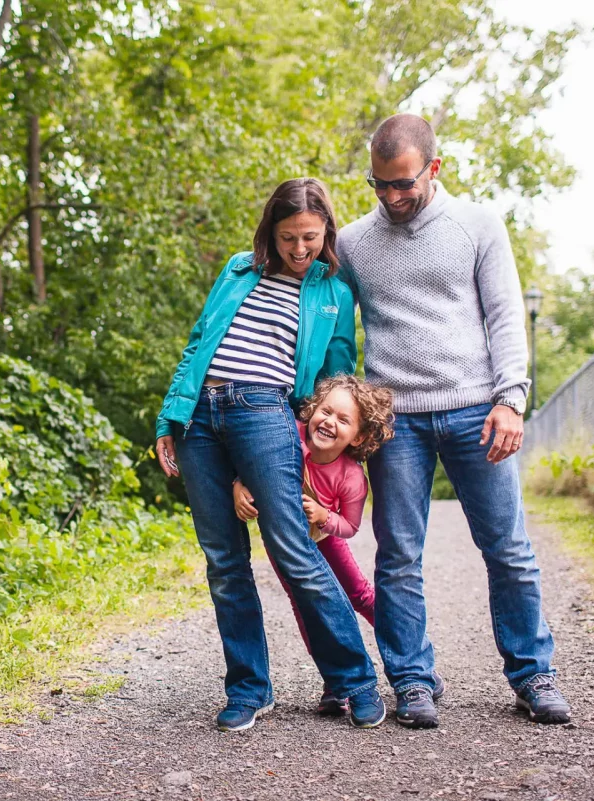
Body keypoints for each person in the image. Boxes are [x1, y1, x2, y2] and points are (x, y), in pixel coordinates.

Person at [336, 113, 571, 729]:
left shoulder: (478, 224)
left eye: (404, 184)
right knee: (397, 555)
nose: (392, 197)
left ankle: (532, 673)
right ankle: (412, 680)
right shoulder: (355, 242)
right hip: (396, 422)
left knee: (509, 548)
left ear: (433, 169)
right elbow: (332, 323)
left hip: (476, 410)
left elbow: (504, 315)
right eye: (379, 184)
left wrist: (511, 399)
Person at [155, 178, 386, 732]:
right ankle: (249, 689)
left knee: (294, 552)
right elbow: (198, 341)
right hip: (200, 417)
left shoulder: (333, 291)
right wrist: (170, 414)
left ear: (326, 231)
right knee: (224, 562)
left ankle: (356, 680)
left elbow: (332, 378)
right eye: (287, 238)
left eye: (309, 237)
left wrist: (316, 448)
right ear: (270, 232)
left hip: (265, 413)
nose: (299, 249)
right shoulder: (240, 267)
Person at [231, 375, 402, 716]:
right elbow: (255, 461)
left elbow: (349, 526)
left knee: (359, 595)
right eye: (326, 411)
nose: (329, 422)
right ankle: (334, 681)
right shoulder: (289, 434)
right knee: (305, 606)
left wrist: (325, 516)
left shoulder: (351, 477)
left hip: (326, 542)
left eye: (343, 420)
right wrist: (239, 484)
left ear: (360, 435)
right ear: (311, 410)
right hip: (284, 542)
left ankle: (406, 657)